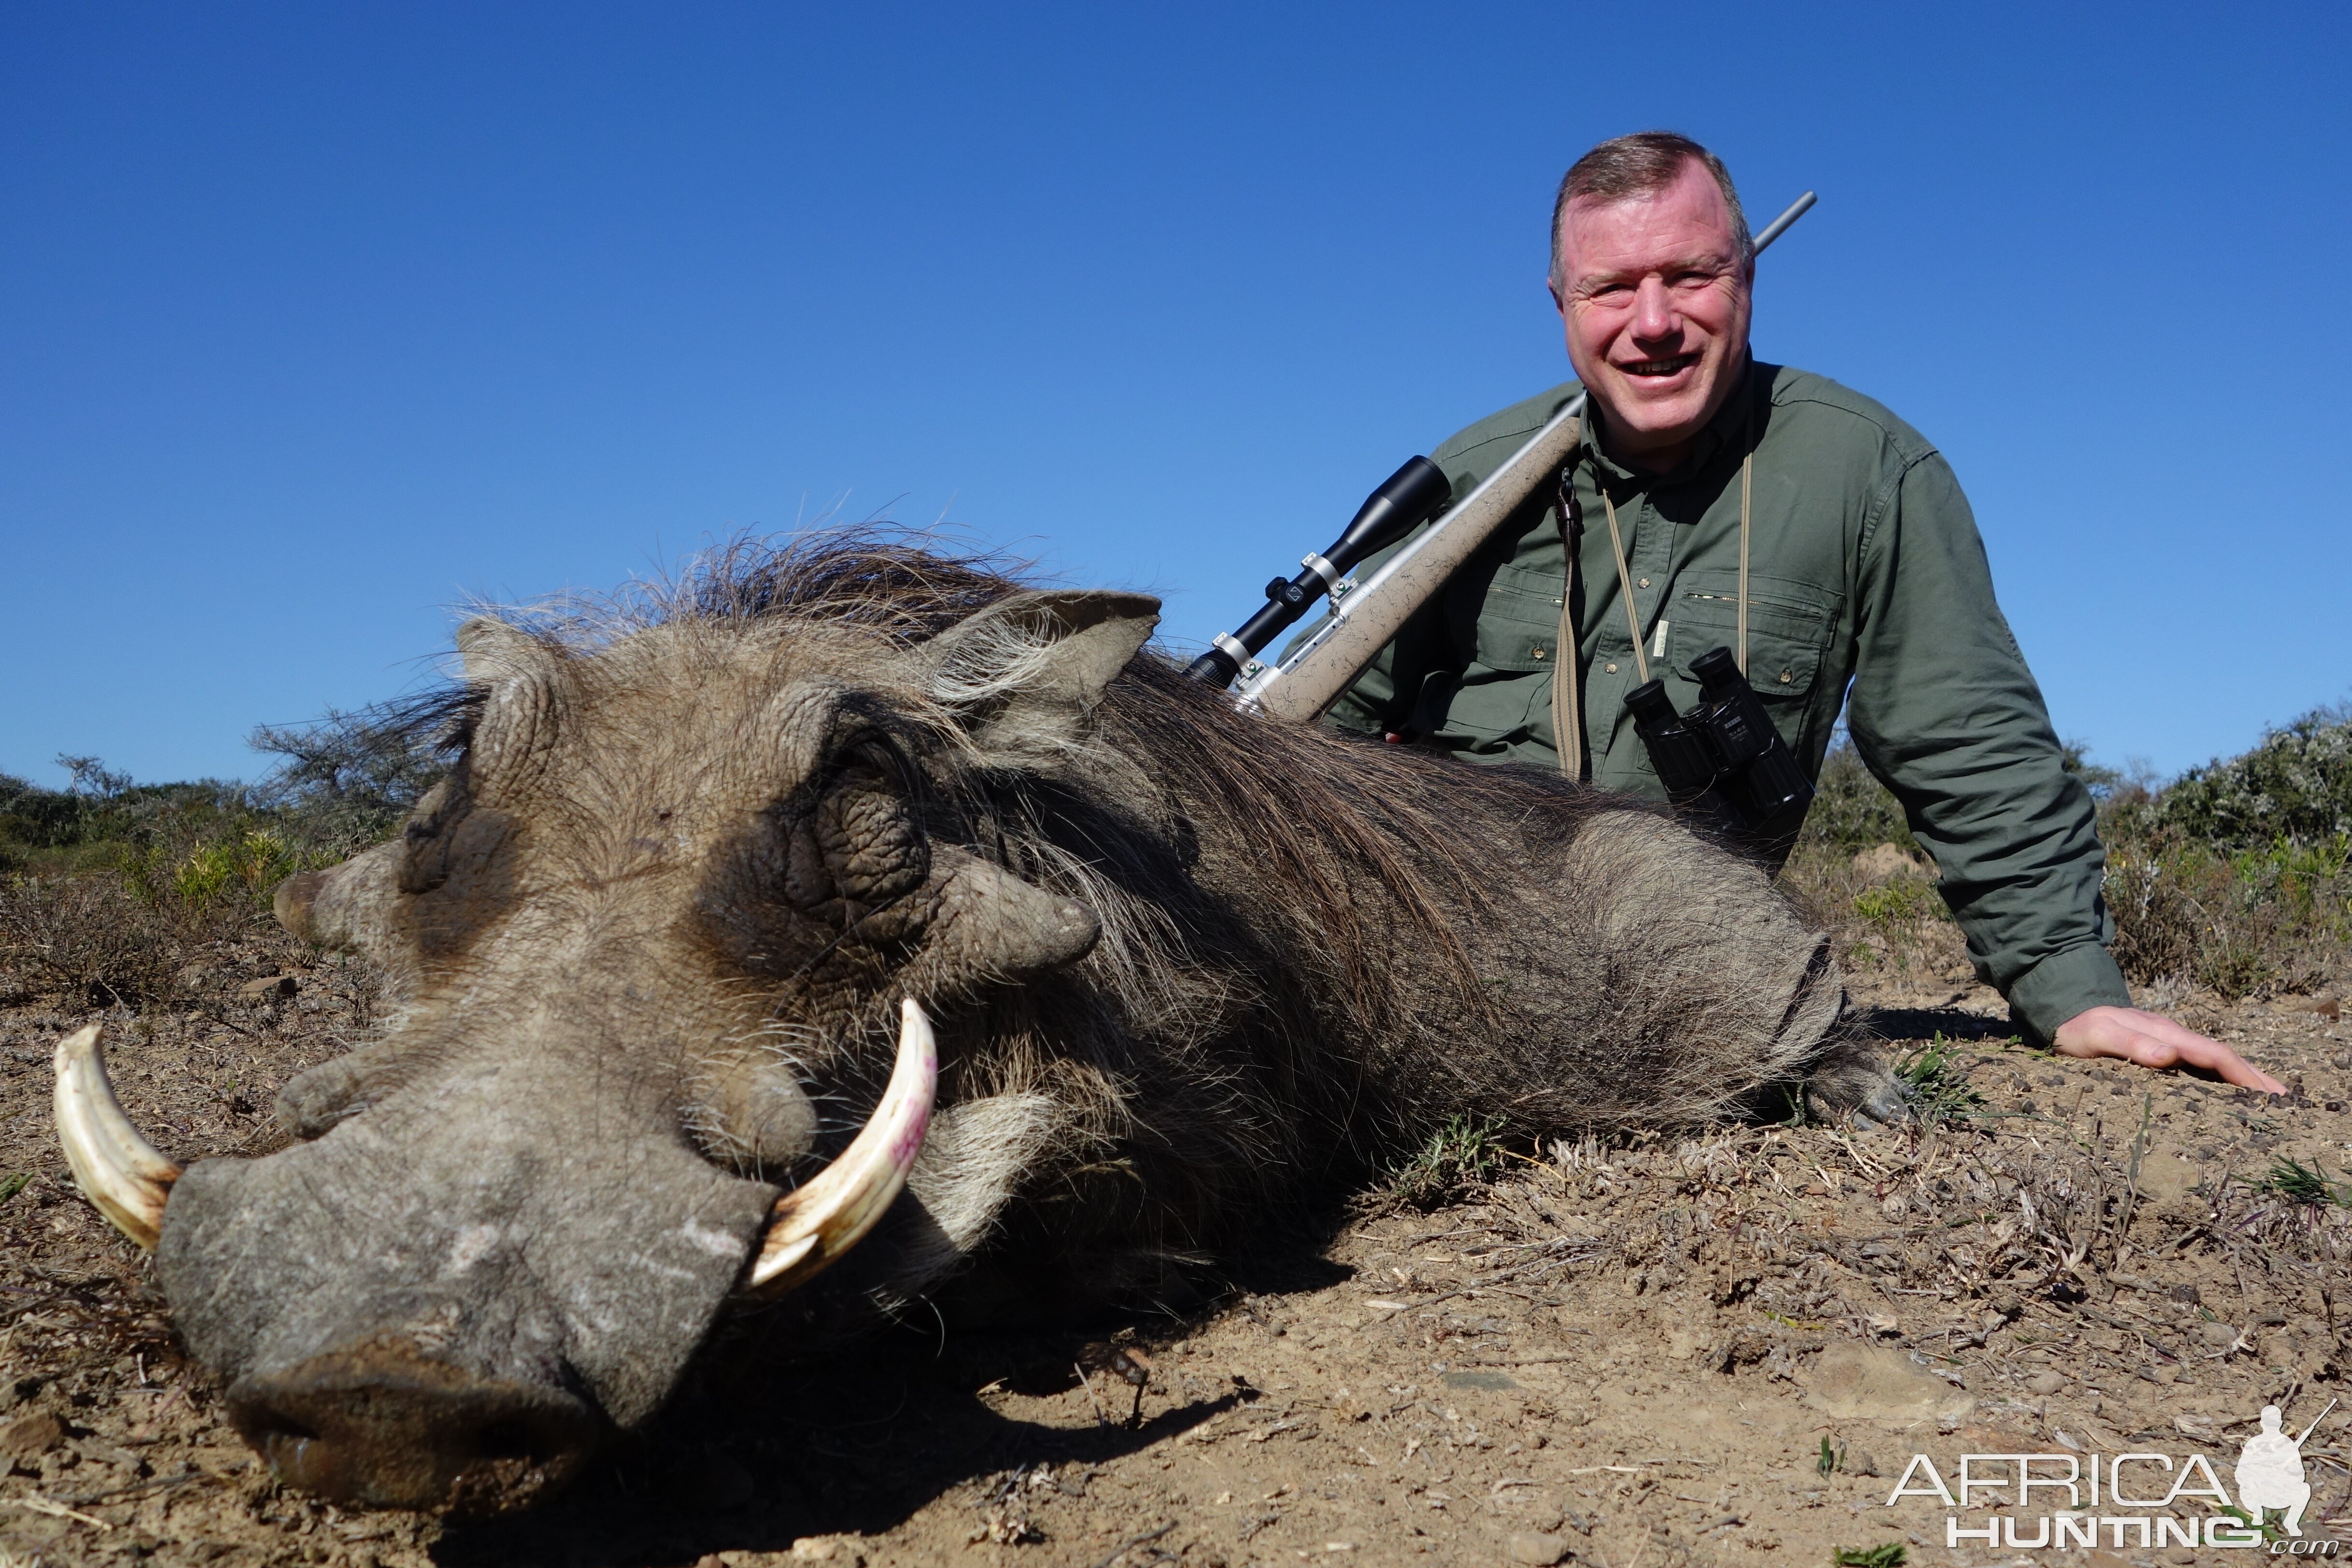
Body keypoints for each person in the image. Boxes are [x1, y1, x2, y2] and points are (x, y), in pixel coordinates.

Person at [1327, 131, 2281, 1093]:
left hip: (1678, 965)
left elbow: (1965, 736)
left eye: (1689, 276)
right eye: (1610, 288)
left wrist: (2067, 987)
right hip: (1438, 947)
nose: (1650, 322)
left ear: (1746, 273)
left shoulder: (1866, 469)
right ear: (1559, 304)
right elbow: (1322, 727)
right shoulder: (1466, 476)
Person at [2233, 1404, 2314, 1536]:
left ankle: (2291, 1523)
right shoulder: (2254, 1443)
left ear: (2280, 1423)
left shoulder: (2287, 1444)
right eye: (2269, 1422)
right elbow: (2241, 1472)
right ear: (2262, 1423)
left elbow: (2300, 1474)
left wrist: (2285, 1472)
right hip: (2257, 1493)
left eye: (2275, 1422)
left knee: (2305, 1489)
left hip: (2280, 1492)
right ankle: (2257, 1517)